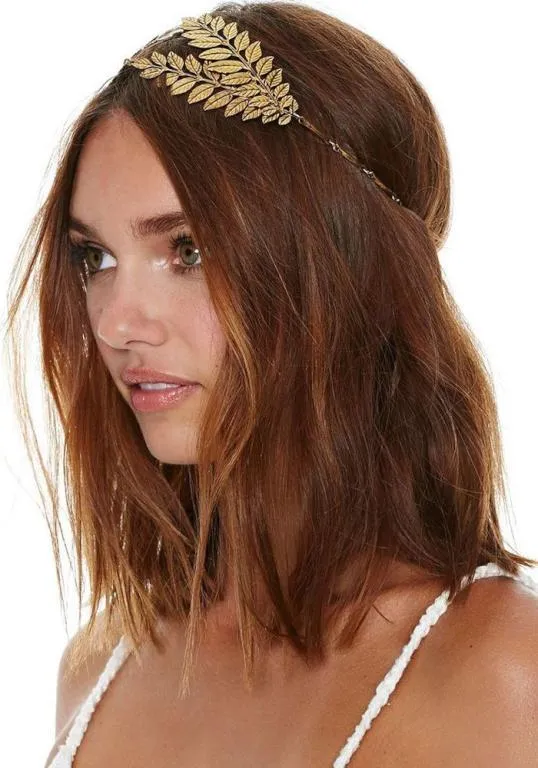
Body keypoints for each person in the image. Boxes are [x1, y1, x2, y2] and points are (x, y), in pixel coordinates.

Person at [5, 2, 538, 766]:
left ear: (348, 266)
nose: (117, 322)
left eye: (188, 249)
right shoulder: (102, 665)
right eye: (96, 258)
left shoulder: (500, 672)